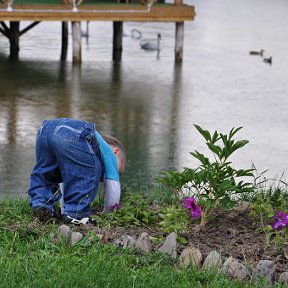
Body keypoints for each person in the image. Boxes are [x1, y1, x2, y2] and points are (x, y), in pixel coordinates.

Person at [28, 118, 126, 224]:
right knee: (89, 170)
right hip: (72, 132)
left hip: (44, 131)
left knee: (47, 172)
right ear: (116, 151)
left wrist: (64, 210)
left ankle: (41, 204)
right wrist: (110, 212)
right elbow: (113, 186)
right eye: (117, 170)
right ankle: (76, 214)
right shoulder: (110, 153)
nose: (102, 179)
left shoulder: (83, 150)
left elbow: (66, 181)